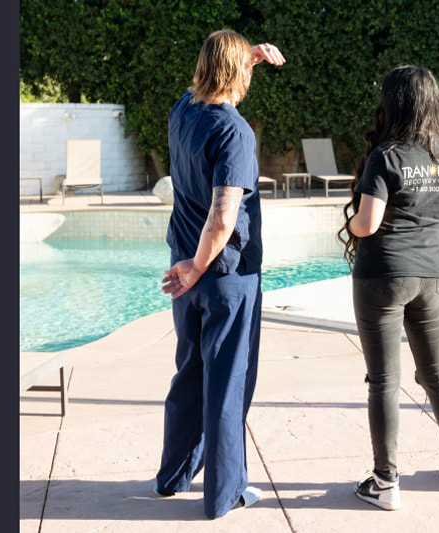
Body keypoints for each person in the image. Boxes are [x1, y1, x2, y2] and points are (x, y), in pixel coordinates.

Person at [155, 29, 284, 519]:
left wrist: (241, 58)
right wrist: (200, 265)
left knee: (189, 371)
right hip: (223, 275)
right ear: (237, 73)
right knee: (228, 382)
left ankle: (173, 475)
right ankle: (225, 493)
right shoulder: (235, 132)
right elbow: (224, 216)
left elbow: (206, 85)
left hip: (184, 272)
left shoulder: (183, 110)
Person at [340, 65, 439, 511]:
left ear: (393, 103)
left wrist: (348, 223)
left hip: (382, 276)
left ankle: (385, 482)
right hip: (433, 275)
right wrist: (426, 234)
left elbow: (367, 223)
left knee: (384, 381)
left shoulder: (386, 156)